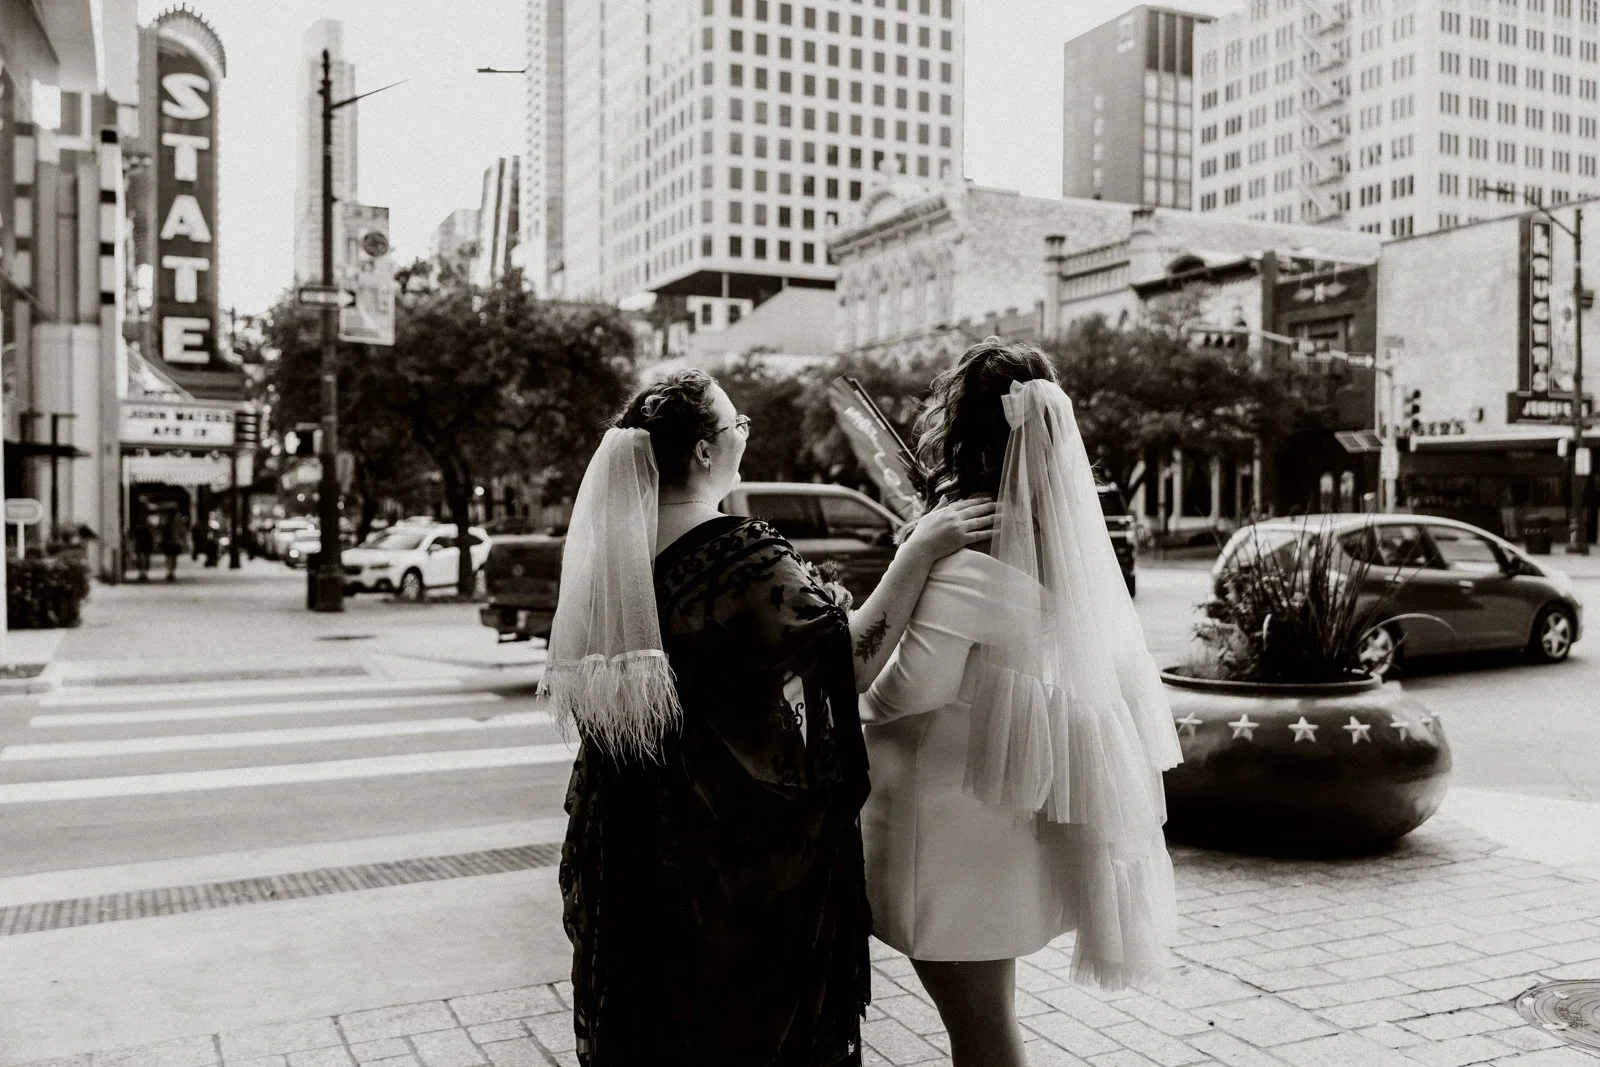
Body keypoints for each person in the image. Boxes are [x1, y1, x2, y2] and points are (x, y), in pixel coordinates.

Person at [545, 369, 995, 1067]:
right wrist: (920, 550)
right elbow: (850, 664)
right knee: (740, 1029)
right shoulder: (739, 554)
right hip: (724, 841)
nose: (745, 435)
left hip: (626, 831)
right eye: (738, 425)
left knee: (655, 1021)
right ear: (702, 451)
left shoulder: (616, 559)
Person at [859, 340, 1184, 1067]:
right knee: (988, 1020)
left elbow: (895, 691)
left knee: (979, 1028)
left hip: (942, 838)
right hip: (1003, 823)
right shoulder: (1056, 544)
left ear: (960, 431)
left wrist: (908, 566)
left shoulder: (965, 558)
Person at [132, 514, 156, 582]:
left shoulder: (146, 526)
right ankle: (142, 573)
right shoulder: (144, 526)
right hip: (142, 544)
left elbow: (151, 535)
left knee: (144, 559)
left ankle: (143, 573)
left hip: (145, 544)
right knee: (142, 559)